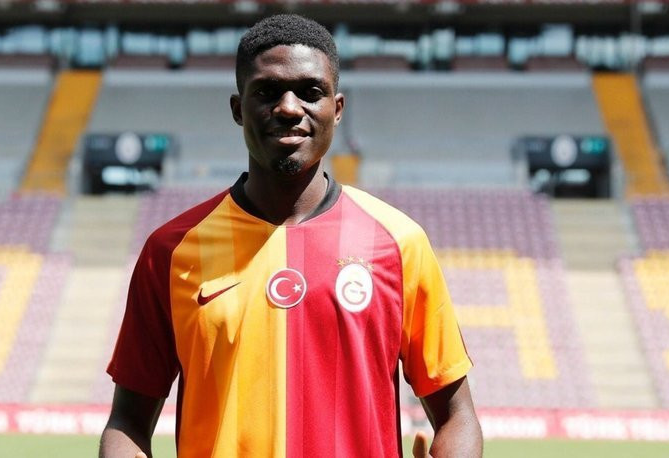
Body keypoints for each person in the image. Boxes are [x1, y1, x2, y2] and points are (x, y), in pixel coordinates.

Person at [99, 14, 482, 458]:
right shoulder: (170, 251)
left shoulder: (399, 243)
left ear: (337, 109)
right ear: (238, 109)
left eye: (310, 92)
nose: (288, 107)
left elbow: (457, 415)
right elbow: (127, 421)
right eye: (267, 91)